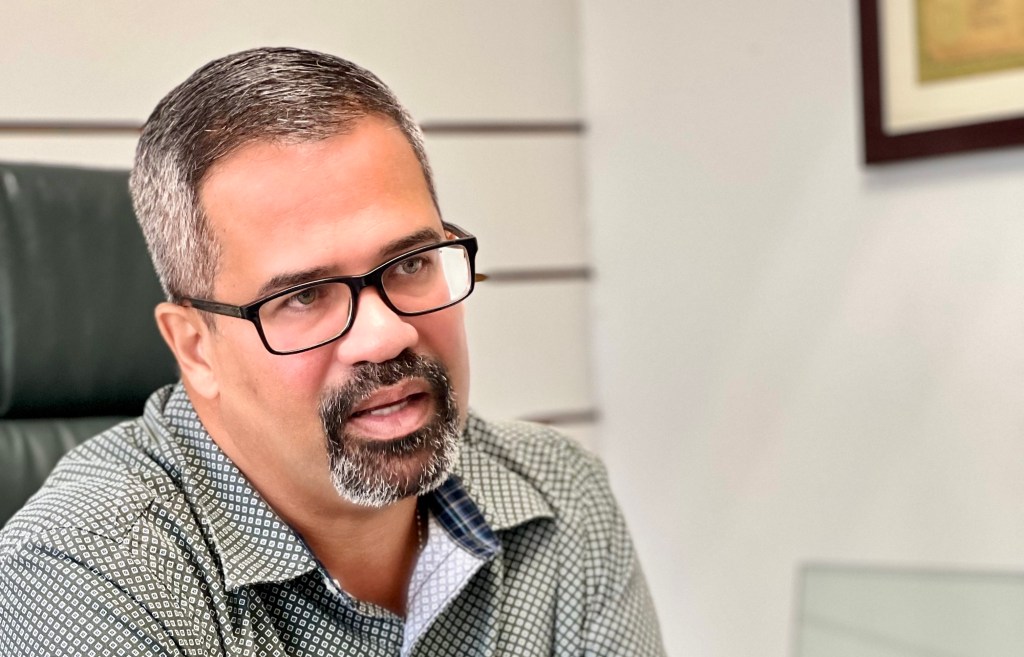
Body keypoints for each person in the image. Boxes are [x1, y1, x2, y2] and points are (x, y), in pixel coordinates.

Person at [0, 47, 664, 656]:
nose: (385, 334)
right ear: (195, 348)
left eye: (411, 263)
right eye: (305, 296)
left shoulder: (562, 493)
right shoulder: (83, 573)